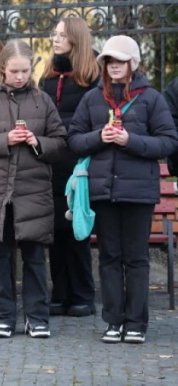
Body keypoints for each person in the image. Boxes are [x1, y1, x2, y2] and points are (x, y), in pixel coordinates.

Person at [68, 36, 178, 344]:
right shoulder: (92, 99)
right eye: (108, 61)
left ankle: (136, 323)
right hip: (103, 192)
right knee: (109, 257)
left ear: (133, 63)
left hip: (138, 193)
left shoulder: (151, 98)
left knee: (136, 258)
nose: (113, 66)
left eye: (119, 61)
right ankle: (113, 321)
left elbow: (169, 141)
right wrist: (99, 137)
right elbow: (73, 139)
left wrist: (130, 141)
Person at [0, 40, 66, 339]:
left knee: (34, 258)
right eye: (14, 71)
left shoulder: (42, 101)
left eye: (25, 71)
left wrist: (38, 143)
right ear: (2, 69)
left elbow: (60, 142)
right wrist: (4, 139)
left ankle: (37, 318)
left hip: (33, 192)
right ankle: (3, 317)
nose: (20, 76)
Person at [40, 17, 101, 317]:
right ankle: (60, 292)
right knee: (55, 232)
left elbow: (92, 118)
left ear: (77, 39)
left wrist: (61, 130)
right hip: (51, 163)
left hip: (78, 164)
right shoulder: (48, 77)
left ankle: (82, 294)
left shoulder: (92, 77)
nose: (56, 39)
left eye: (62, 35)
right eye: (55, 34)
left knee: (77, 232)